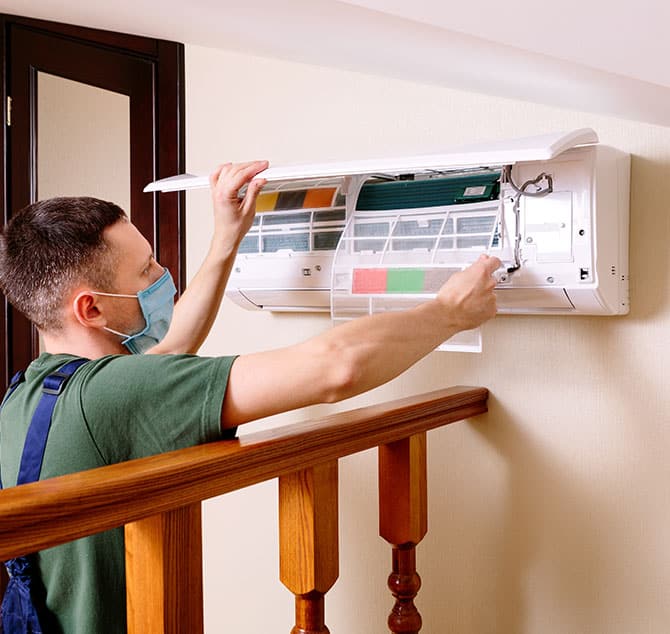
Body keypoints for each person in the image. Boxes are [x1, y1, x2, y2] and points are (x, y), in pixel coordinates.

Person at [0, 160, 500, 634]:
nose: (162, 281)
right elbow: (334, 368)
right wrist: (450, 311)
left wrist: (226, 238)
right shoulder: (110, 395)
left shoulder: (28, 395)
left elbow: (173, 346)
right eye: (148, 270)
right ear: (91, 309)